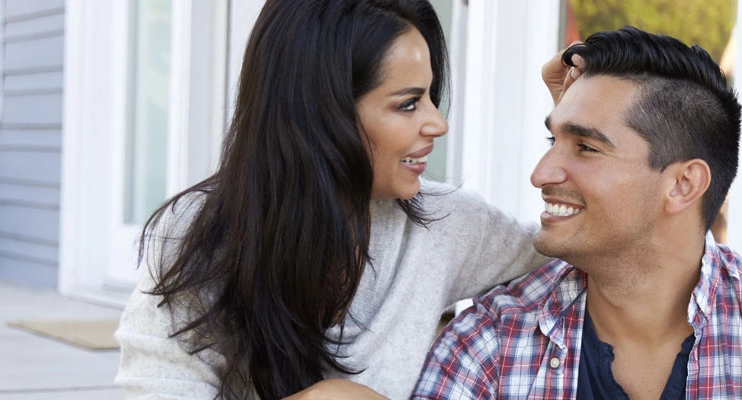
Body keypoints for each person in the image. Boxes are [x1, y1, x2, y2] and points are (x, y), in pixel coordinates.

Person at [114, 0, 583, 398]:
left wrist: (572, 115)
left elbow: (589, 253)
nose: (437, 124)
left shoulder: (447, 224)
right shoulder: (199, 234)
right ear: (321, 113)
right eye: (407, 103)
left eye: (430, 98)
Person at [413, 27, 742, 400]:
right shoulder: (493, 341)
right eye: (552, 139)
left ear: (683, 184)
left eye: (585, 146)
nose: (541, 173)